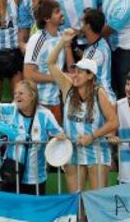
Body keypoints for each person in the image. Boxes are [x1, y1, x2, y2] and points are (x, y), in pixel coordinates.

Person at [48, 28, 119, 192]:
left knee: (98, 200)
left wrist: (92, 136)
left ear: (90, 76)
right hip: (72, 150)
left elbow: (114, 122)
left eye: (80, 72)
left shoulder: (99, 93)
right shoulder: (68, 88)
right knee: (76, 200)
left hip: (97, 150)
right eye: (75, 71)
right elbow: (50, 63)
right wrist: (62, 43)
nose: (75, 75)